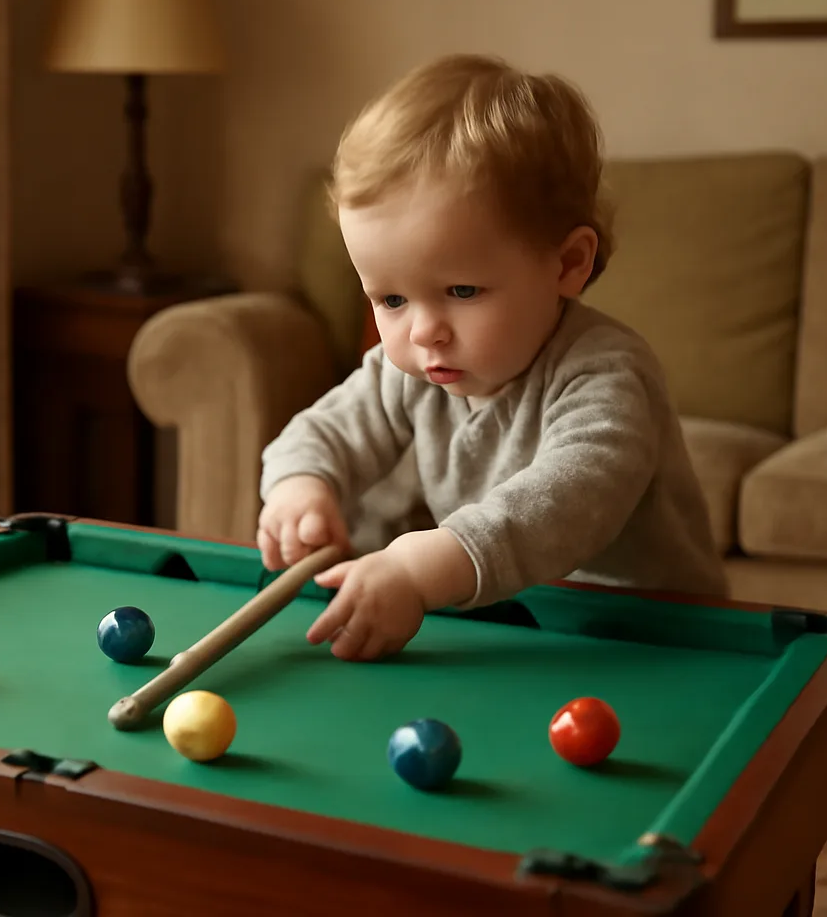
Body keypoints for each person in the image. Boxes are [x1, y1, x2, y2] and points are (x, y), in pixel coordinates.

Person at [256, 54, 727, 661]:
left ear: (567, 265)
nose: (425, 332)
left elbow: (560, 506)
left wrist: (421, 564)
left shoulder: (608, 376)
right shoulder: (415, 372)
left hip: (656, 644)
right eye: (391, 298)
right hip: (516, 630)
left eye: (461, 291)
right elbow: (324, 430)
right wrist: (300, 488)